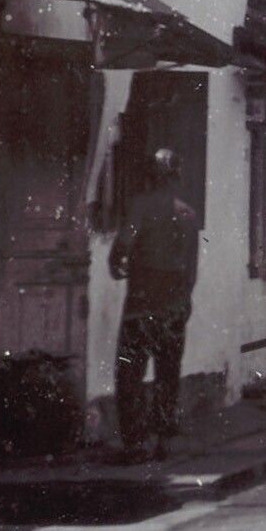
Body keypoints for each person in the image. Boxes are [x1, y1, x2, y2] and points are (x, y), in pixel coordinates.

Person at [109, 148, 201, 463]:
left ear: (151, 177)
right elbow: (191, 269)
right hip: (174, 302)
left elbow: (123, 246)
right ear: (176, 178)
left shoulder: (141, 206)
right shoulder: (187, 214)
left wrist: (116, 262)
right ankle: (164, 440)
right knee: (168, 373)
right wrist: (183, 301)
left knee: (129, 373)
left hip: (142, 302)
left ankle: (134, 444)